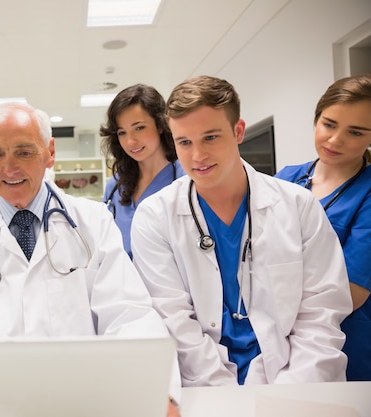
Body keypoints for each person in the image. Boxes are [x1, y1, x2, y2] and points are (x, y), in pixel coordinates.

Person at [0, 102, 180, 416]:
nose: (9, 168)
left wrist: (155, 391)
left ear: (50, 152)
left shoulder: (93, 222)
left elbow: (129, 315)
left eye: (24, 151)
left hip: (81, 402)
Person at [131, 75, 352, 386]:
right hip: (202, 384)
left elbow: (321, 315)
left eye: (210, 137)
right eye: (184, 142)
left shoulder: (298, 207)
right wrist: (223, 394)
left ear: (238, 131)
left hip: (296, 380)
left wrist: (289, 392)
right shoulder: (155, 216)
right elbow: (174, 321)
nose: (197, 156)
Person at [274, 74, 371, 381]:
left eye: (355, 132)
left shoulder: (367, 192)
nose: (335, 140)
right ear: (316, 120)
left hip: (344, 342)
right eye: (329, 124)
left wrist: (274, 292)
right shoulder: (286, 178)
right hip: (277, 337)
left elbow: (352, 293)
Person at [100, 84, 185, 258]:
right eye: (122, 132)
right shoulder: (115, 185)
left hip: (168, 282)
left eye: (139, 128)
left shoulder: (185, 179)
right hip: (120, 281)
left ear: (160, 124)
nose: (130, 141)